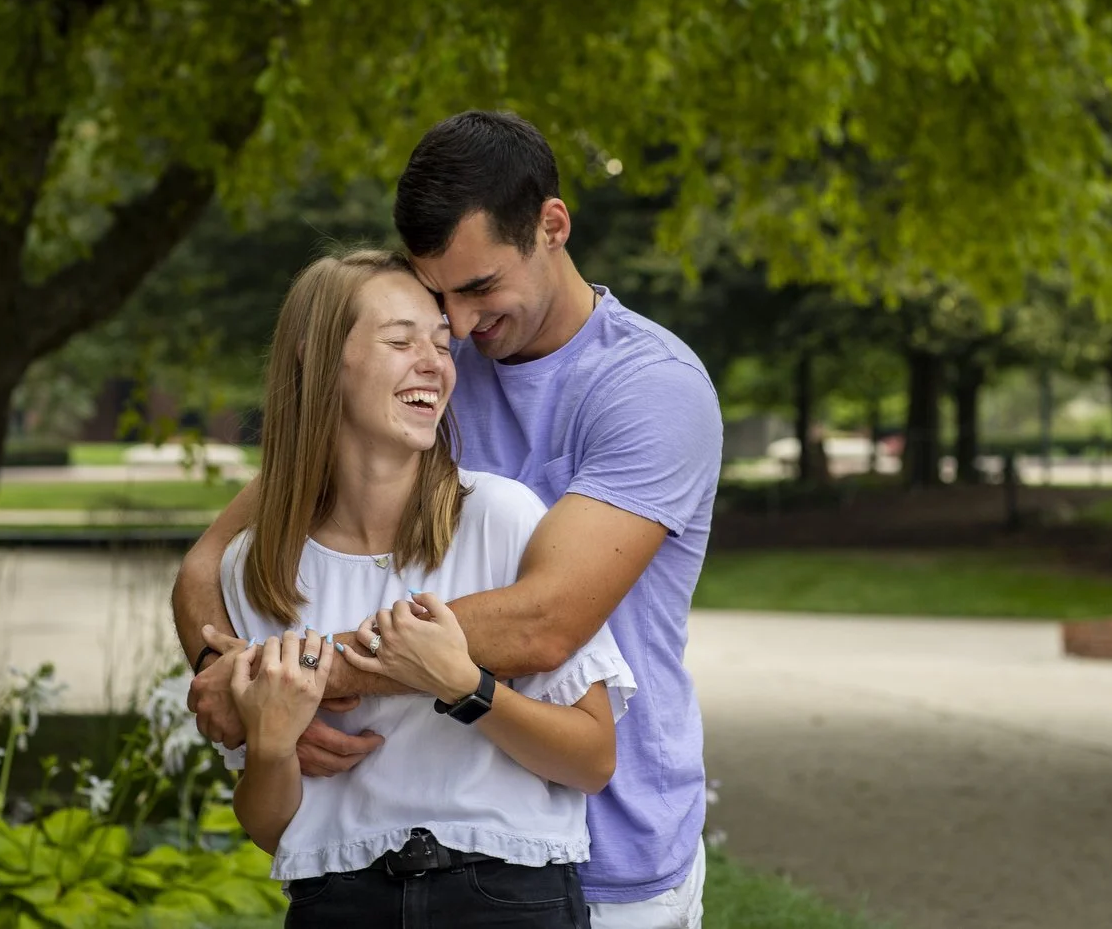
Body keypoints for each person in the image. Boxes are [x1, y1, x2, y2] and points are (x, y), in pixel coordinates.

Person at [175, 111, 724, 928]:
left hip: (612, 857)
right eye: (438, 298)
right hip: (384, 869)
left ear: (553, 227)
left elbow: (545, 623)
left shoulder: (649, 389)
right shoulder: (430, 365)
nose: (460, 329)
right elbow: (208, 565)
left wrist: (296, 679)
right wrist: (223, 681)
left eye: (478, 290)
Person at [218, 248, 633, 928]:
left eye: (441, 344)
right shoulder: (256, 567)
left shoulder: (501, 518)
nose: (436, 364)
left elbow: (592, 759)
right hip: (337, 902)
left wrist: (466, 687)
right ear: (317, 360)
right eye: (400, 340)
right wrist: (269, 744)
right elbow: (269, 828)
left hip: (508, 898)